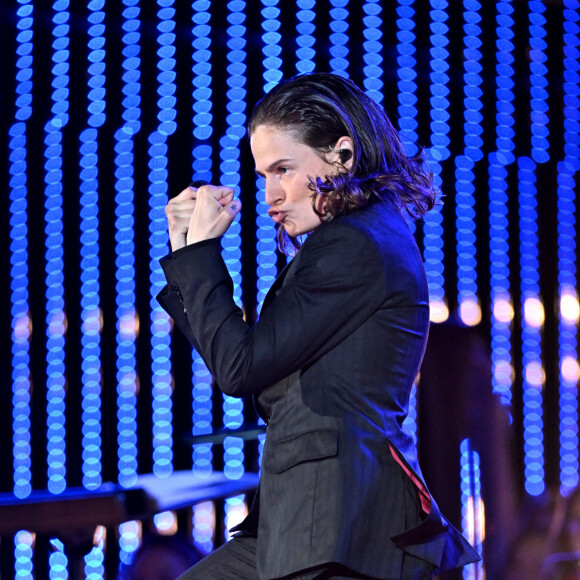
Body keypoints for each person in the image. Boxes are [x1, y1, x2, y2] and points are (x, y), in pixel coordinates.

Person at [157, 72, 479, 580]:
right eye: (263, 175)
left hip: (338, 521)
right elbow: (242, 364)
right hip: (306, 520)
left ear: (342, 156)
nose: (270, 196)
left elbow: (240, 368)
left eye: (283, 169)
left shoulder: (352, 244)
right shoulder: (359, 239)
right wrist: (185, 252)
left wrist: (200, 255)